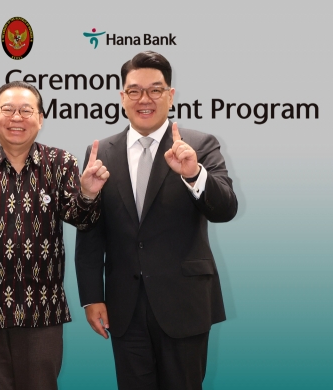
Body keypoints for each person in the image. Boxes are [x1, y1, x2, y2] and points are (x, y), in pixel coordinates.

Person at [75, 51, 238, 390]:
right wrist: (91, 296)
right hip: (124, 307)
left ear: (170, 95)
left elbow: (225, 209)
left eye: (155, 90)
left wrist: (194, 173)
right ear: (122, 97)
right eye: (134, 91)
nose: (144, 99)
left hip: (185, 304)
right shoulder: (100, 152)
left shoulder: (199, 145)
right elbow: (90, 232)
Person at [0, 81, 109, 390]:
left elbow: (82, 220)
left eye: (27, 110)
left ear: (40, 118)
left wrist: (88, 195)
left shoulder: (61, 163)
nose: (17, 118)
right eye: (8, 110)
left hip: (42, 310)